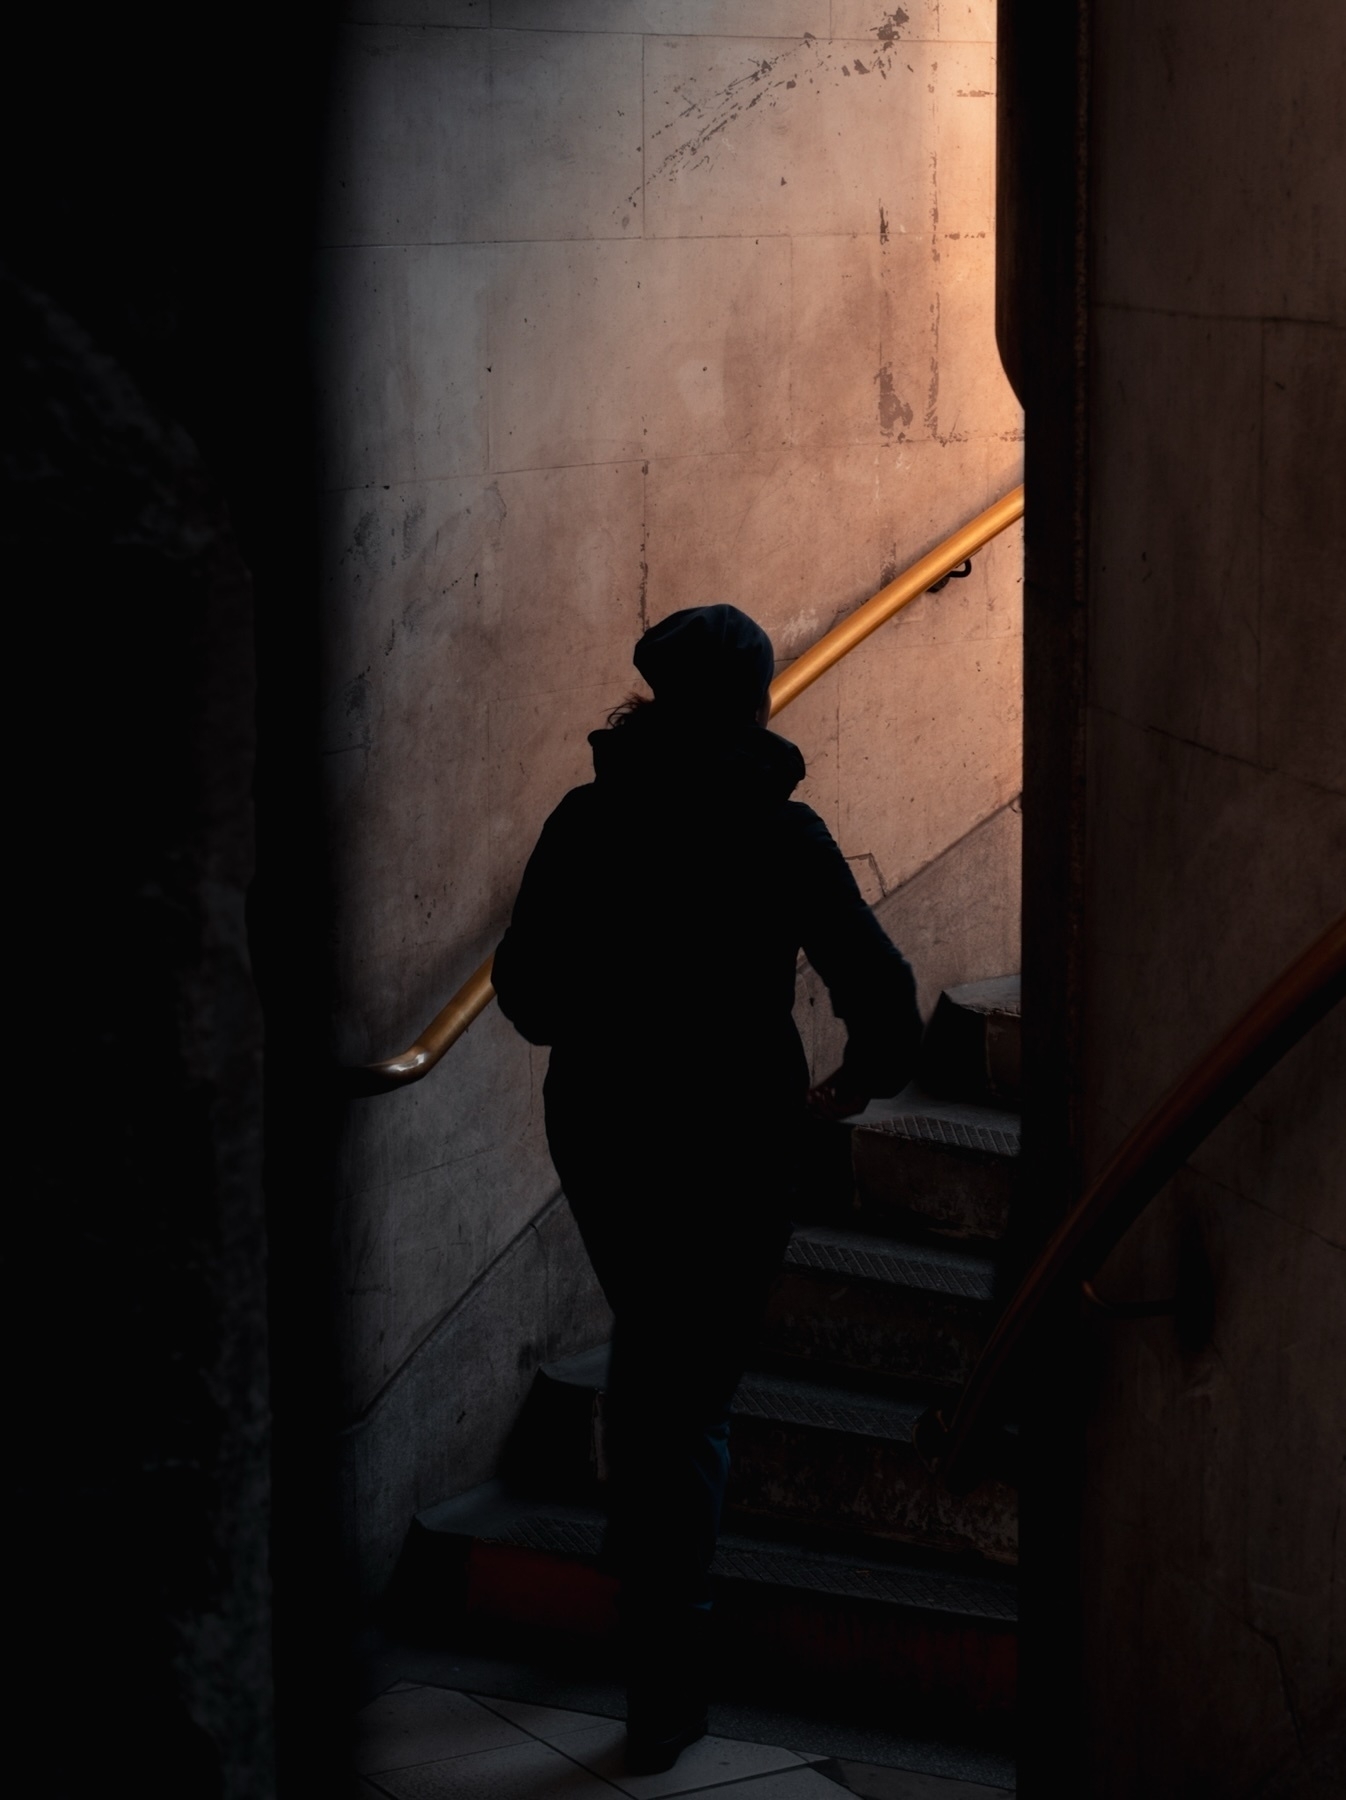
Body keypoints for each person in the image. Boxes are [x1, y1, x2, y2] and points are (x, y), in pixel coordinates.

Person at [492, 604, 921, 1772]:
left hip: (606, 1130)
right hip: (738, 1140)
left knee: (658, 1360)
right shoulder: (784, 835)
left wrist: (618, 1022)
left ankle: (643, 1609)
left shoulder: (588, 819)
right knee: (689, 1394)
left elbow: (525, 993)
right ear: (758, 698)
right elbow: (884, 995)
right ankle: (666, 1670)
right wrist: (854, 1082)